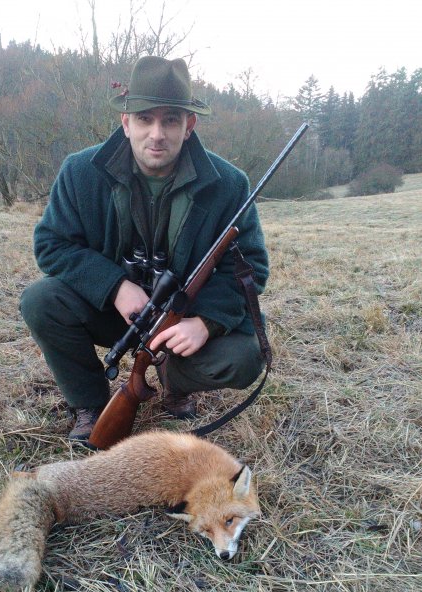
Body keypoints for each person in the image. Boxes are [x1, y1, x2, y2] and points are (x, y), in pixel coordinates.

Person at [20, 55, 269, 442]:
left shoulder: (231, 184)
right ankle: (90, 405)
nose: (157, 134)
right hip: (111, 314)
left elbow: (250, 266)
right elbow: (52, 244)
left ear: (189, 125)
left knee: (245, 357)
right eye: (144, 119)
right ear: (126, 123)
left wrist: (205, 322)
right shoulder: (80, 171)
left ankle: (176, 382)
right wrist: (115, 286)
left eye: (170, 120)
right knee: (40, 300)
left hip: (183, 321)